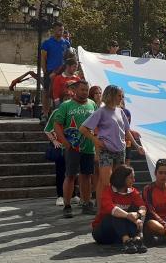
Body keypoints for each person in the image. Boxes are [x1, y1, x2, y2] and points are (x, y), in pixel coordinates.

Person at [80, 85, 144, 213]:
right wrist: (97, 141)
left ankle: (112, 207)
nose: (121, 98)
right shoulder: (101, 111)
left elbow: (126, 131)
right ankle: (102, 210)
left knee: (118, 181)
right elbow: (83, 128)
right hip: (106, 150)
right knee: (106, 182)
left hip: (120, 150)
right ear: (111, 95)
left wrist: (137, 146)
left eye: (122, 96)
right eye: (119, 95)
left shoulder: (121, 111)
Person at [53, 80, 98, 218]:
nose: (85, 92)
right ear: (76, 90)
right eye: (82, 89)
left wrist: (97, 142)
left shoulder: (92, 104)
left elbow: (97, 124)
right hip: (72, 147)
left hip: (89, 147)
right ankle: (67, 205)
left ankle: (86, 204)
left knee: (86, 176)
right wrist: (65, 142)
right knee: (70, 176)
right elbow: (57, 124)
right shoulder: (66, 105)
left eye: (86, 90)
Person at [92, 165, 148, 254]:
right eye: (131, 178)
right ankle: (127, 241)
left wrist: (137, 215)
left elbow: (143, 207)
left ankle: (137, 239)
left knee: (135, 210)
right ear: (122, 178)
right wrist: (128, 216)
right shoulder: (108, 191)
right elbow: (111, 208)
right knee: (116, 213)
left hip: (118, 234)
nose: (134, 180)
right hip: (102, 232)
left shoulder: (133, 192)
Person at [41, 22, 71, 121]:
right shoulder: (47, 43)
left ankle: (60, 115)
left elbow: (68, 58)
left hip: (63, 72)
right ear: (54, 30)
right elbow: (43, 58)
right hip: (50, 72)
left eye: (62, 30)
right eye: (59, 29)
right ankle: (45, 115)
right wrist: (45, 71)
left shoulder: (66, 43)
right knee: (47, 93)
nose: (61, 31)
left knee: (63, 93)